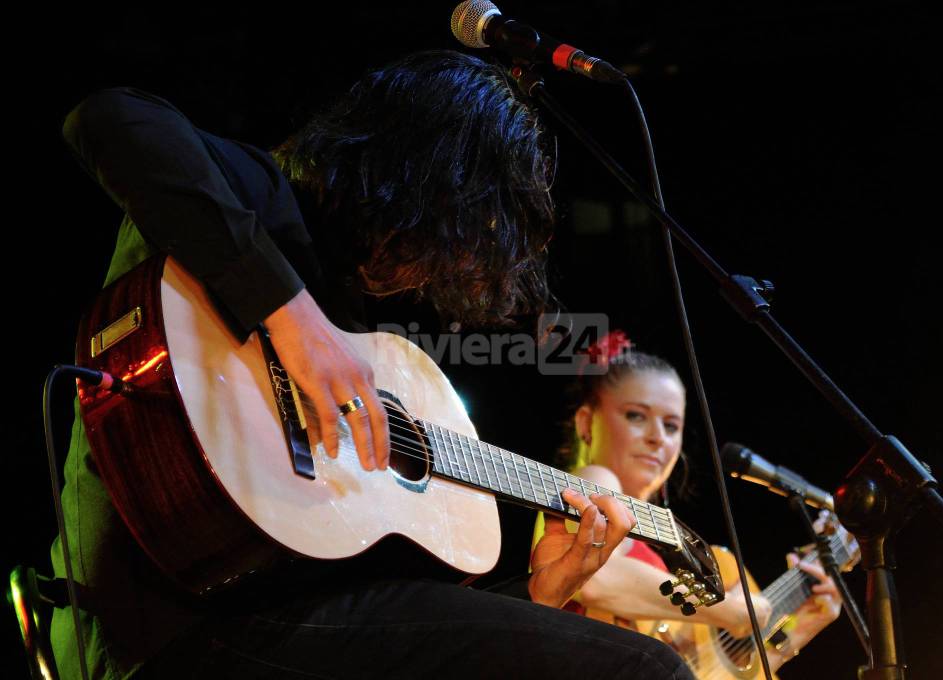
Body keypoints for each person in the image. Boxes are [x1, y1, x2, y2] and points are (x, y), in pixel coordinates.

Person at [54, 51, 696, 679]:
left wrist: (538, 594)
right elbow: (108, 118)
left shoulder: (352, 328)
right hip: (170, 626)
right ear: (415, 174)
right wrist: (288, 313)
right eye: (451, 234)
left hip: (266, 611)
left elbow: (369, 612)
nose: (429, 273)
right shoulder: (263, 198)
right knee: (645, 665)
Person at [541, 339, 842, 673]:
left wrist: (797, 635)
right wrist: (728, 610)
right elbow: (594, 575)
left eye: (671, 425)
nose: (658, 437)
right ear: (586, 422)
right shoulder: (590, 481)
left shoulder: (658, 552)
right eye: (636, 416)